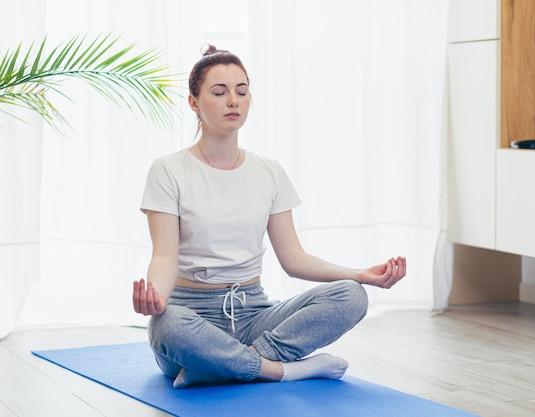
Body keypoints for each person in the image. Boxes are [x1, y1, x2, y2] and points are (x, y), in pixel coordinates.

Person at [132, 44, 406, 388]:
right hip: (192, 316)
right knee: (165, 325)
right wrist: (154, 297)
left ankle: (225, 366)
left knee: (351, 296)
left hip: (253, 314)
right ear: (193, 102)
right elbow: (165, 254)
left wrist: (360, 274)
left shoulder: (269, 171)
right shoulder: (168, 170)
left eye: (242, 91)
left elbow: (294, 259)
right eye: (220, 92)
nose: (234, 100)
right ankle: (282, 370)